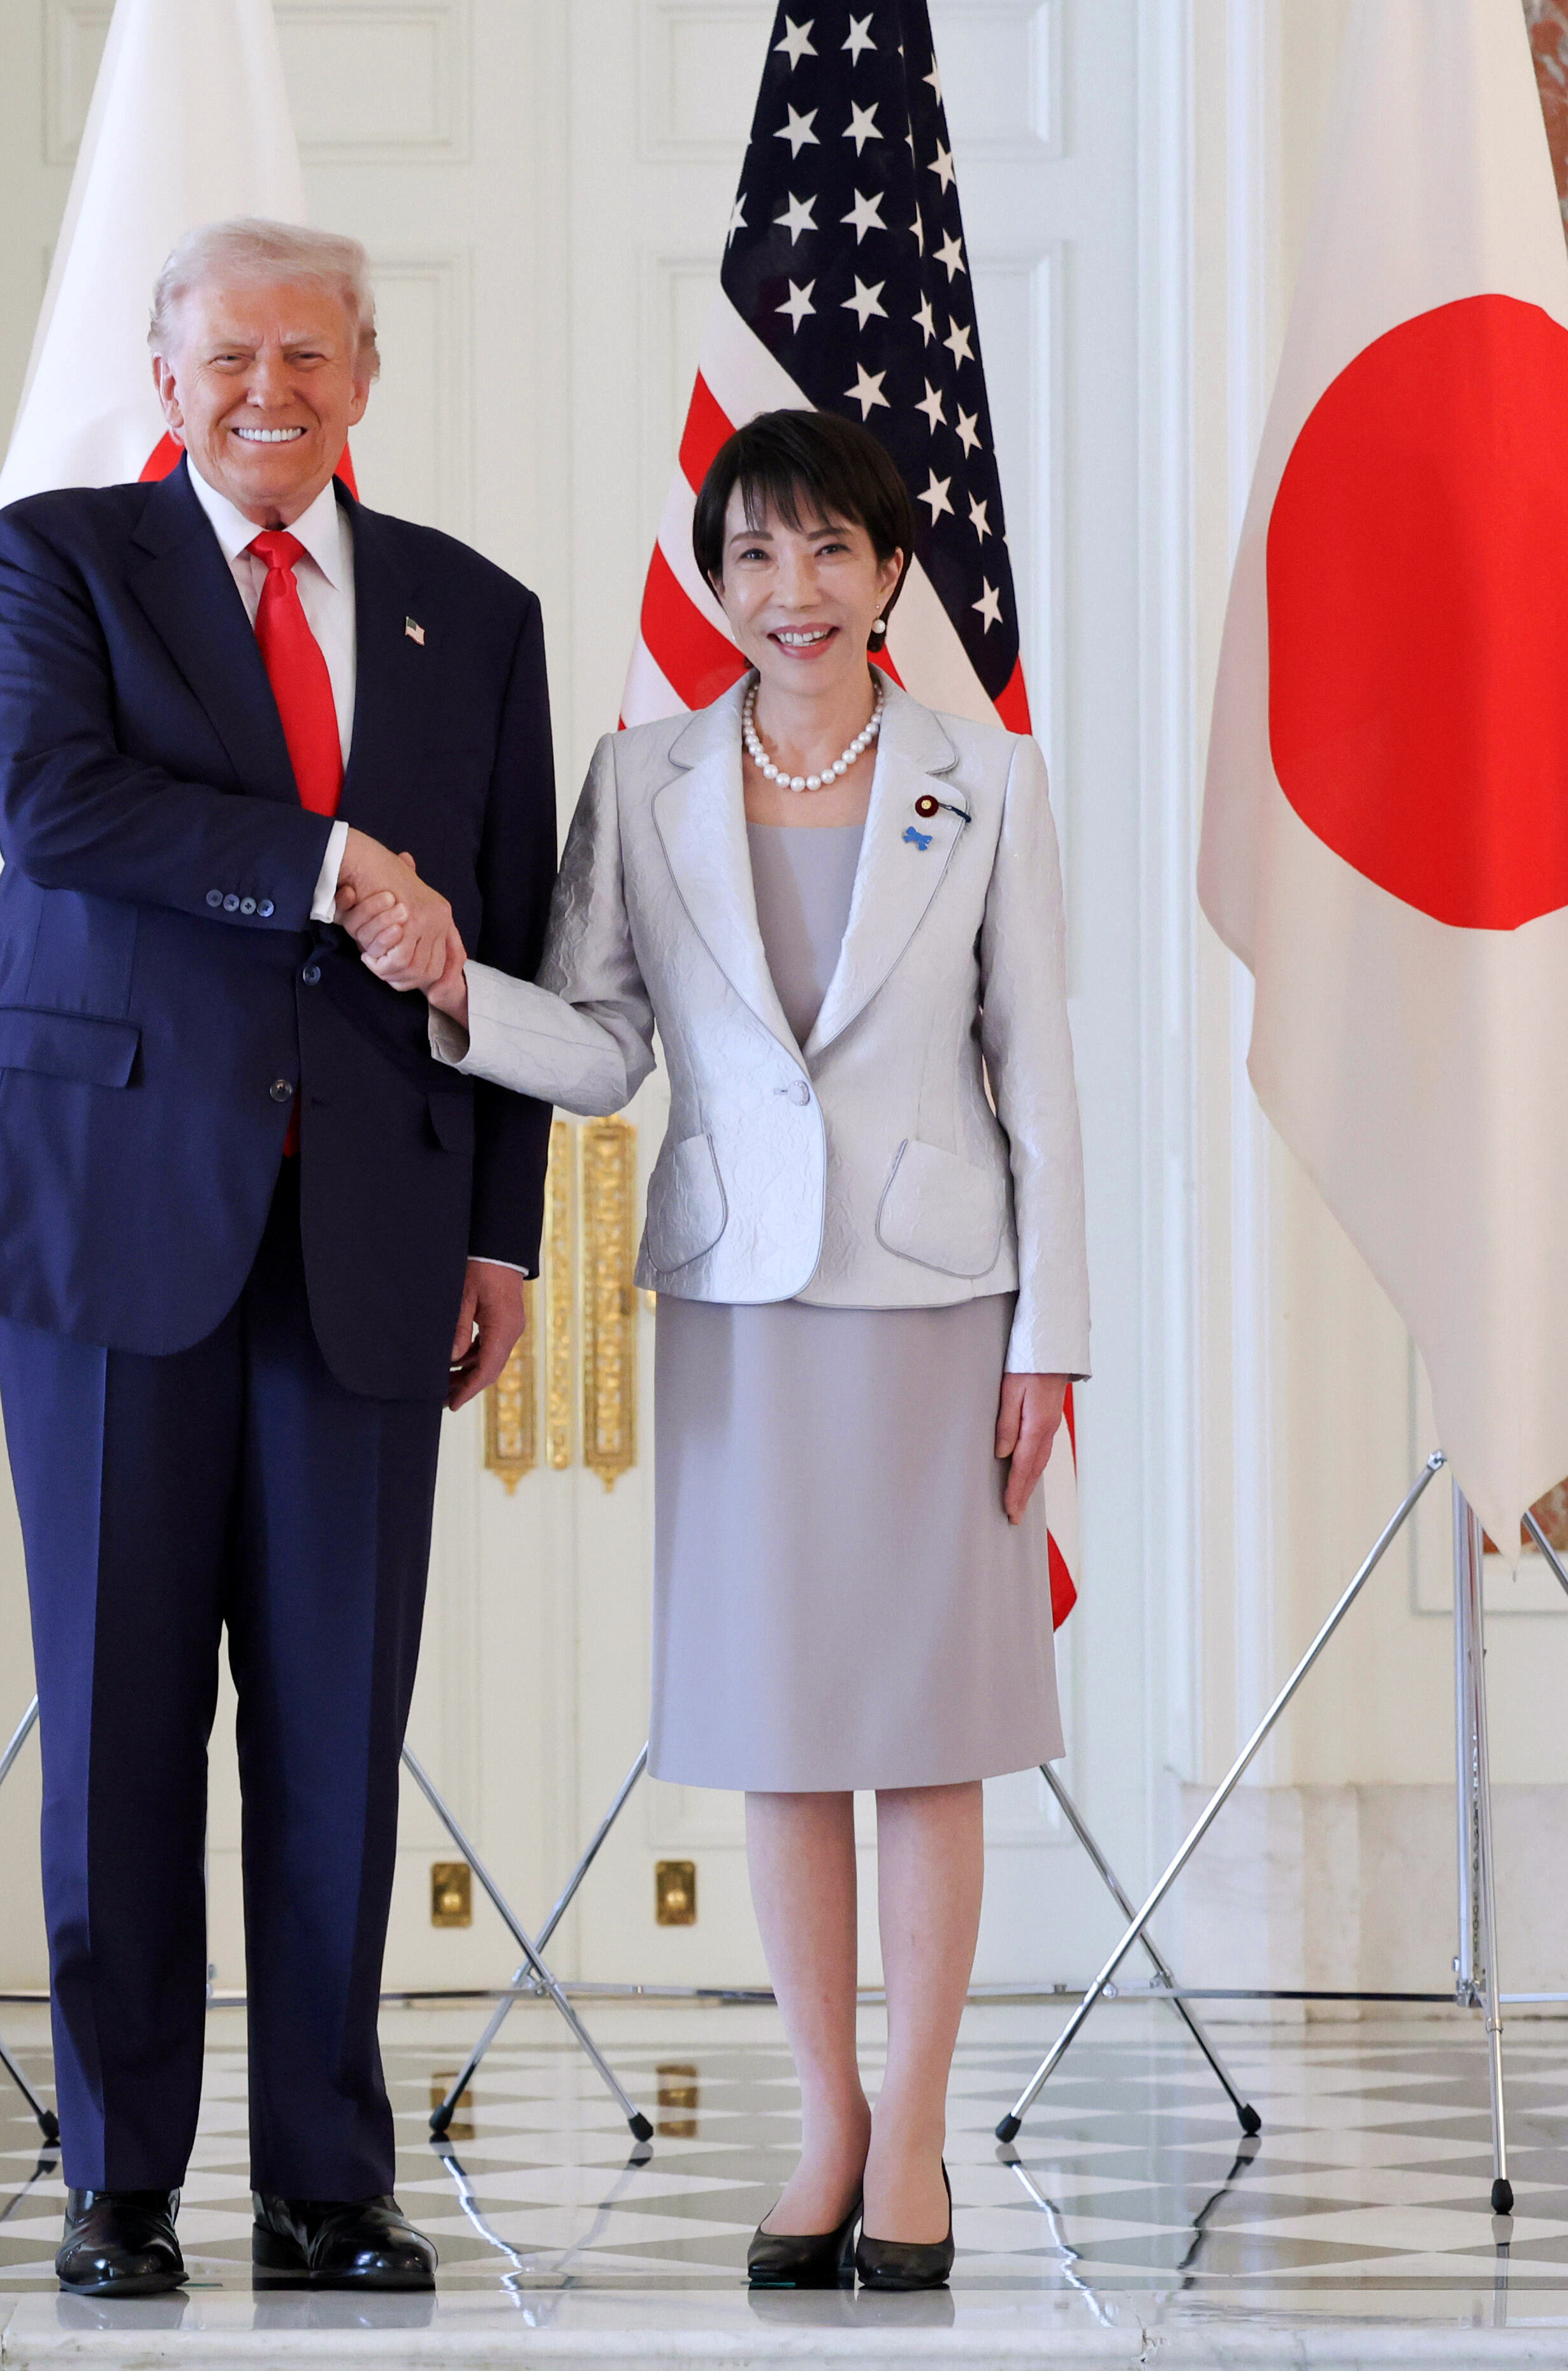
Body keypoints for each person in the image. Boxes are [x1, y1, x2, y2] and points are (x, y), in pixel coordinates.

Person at [345, 408, 1082, 2293]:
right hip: (743, 1312)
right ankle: (821, 2121)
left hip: (936, 1309)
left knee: (926, 1738)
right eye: (752, 557)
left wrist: (1053, 1337)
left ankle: (913, 2136)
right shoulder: (644, 777)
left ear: (888, 569)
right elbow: (601, 1045)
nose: (792, 591)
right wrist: (452, 990)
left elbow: (1042, 1073)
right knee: (778, 1730)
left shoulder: (981, 775)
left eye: (828, 551)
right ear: (712, 581)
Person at [0, 217, 556, 2298]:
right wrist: (331, 863)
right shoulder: (55, 561)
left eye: (305, 354)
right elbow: (54, 802)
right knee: (114, 1723)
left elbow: (514, 947)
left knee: (333, 1728)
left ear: (365, 371)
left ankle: (323, 2181)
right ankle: (118, 2186)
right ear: (163, 372)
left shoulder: (477, 615)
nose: (265, 391)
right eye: (225, 358)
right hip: (109, 1225)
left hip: (372, 1236)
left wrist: (499, 1232)